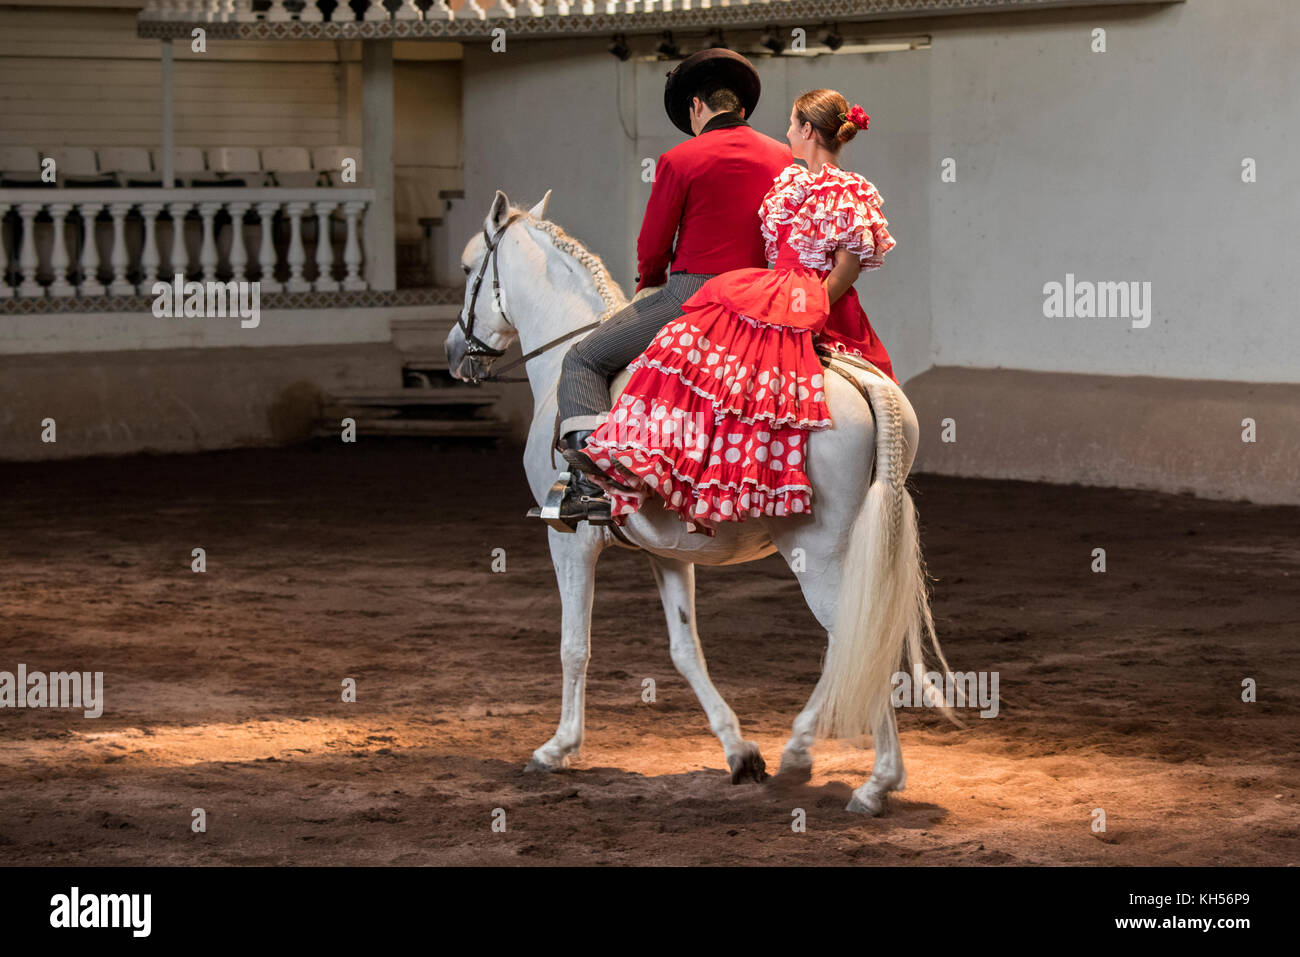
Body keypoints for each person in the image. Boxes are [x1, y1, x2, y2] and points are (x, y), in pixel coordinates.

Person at [579, 89, 898, 534]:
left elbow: (848, 264)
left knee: (662, 349)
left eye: (791, 123)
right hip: (774, 285)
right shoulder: (788, 177)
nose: (786, 131)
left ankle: (616, 472)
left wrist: (812, 303)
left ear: (807, 130)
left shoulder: (845, 188)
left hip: (807, 296)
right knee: (705, 353)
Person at [545, 48, 791, 527]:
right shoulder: (785, 157)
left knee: (582, 359)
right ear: (740, 107)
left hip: (693, 297)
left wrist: (649, 283)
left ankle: (591, 488)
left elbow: (654, 242)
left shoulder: (680, 158)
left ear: (697, 106)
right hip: (765, 298)